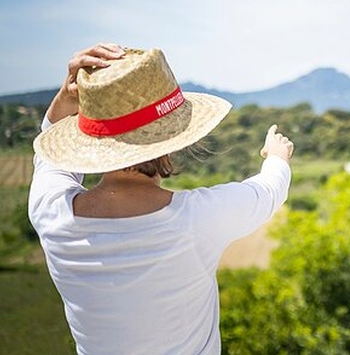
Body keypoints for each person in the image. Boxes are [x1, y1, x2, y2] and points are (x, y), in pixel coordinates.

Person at [29, 43, 294, 355]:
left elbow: (46, 159)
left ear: (87, 141)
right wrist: (278, 155)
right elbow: (267, 191)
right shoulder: (195, 221)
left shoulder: (51, 213)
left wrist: (65, 98)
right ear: (170, 138)